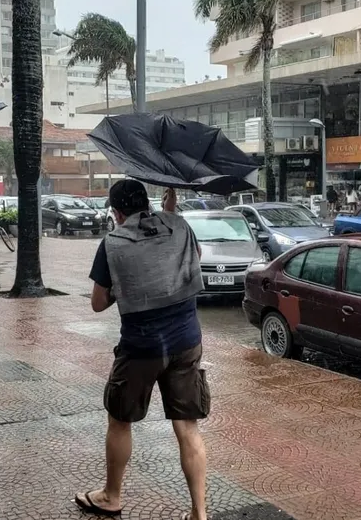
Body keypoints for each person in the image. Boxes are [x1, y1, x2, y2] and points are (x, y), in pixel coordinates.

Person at [77, 180, 210, 520]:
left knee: (120, 419)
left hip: (141, 347)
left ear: (117, 212)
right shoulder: (179, 225)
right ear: (146, 203)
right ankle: (199, 512)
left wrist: (125, 285)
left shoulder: (113, 243)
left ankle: (111, 496)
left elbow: (97, 303)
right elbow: (191, 257)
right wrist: (170, 213)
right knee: (187, 426)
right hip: (186, 341)